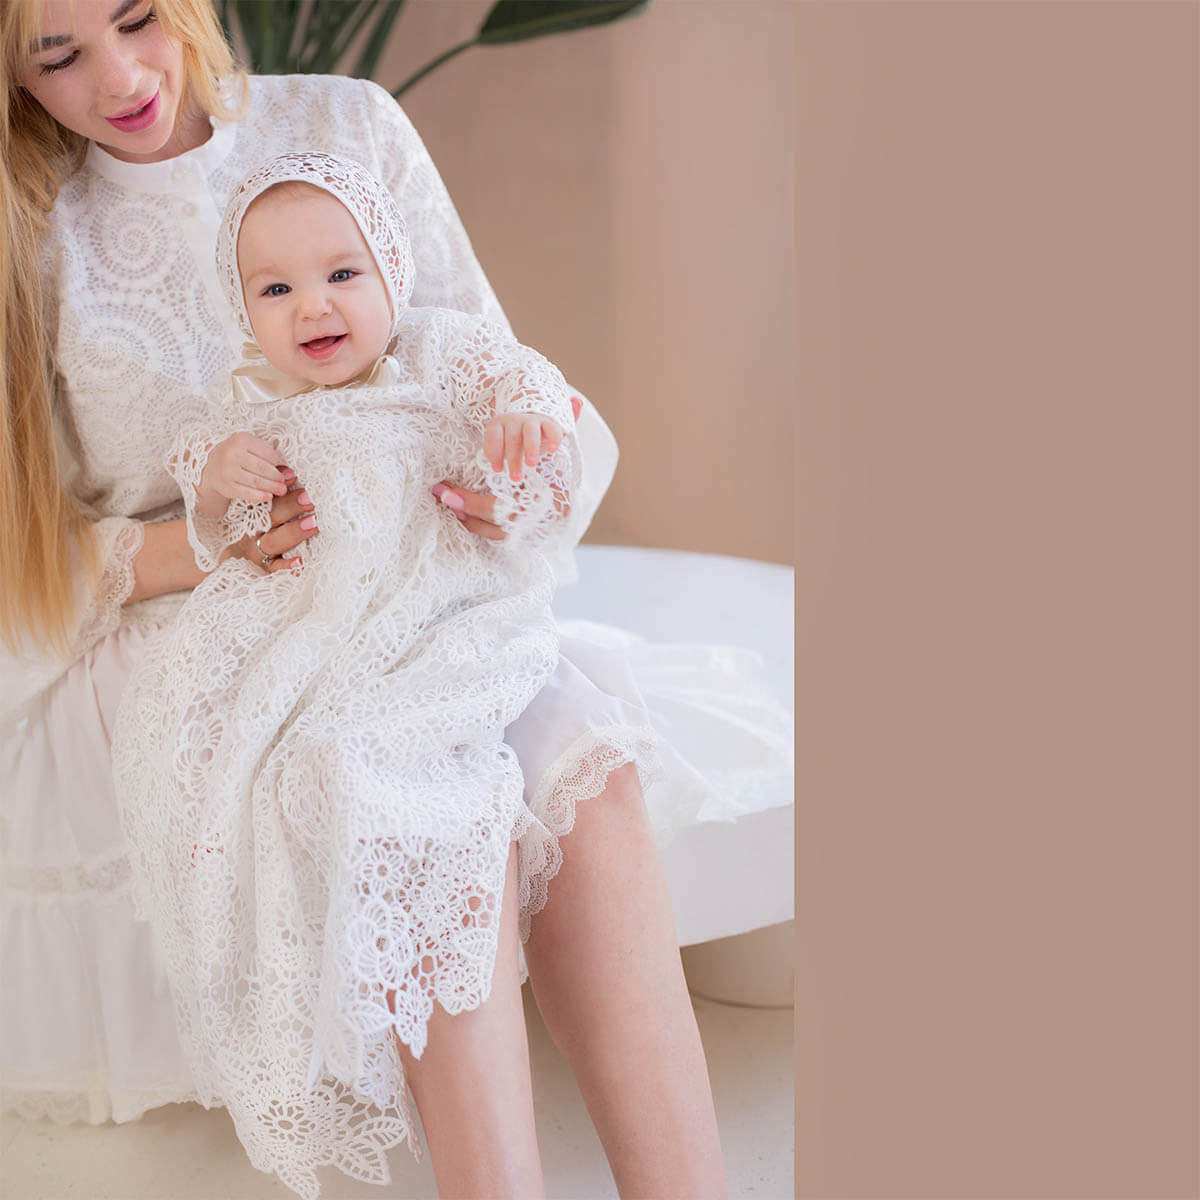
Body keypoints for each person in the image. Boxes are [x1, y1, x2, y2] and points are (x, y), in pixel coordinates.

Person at [1, 1, 787, 1195]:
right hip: (192, 614)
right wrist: (207, 543)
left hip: (413, 580)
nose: (120, 76)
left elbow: (493, 376)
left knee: (586, 758)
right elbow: (31, 549)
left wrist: (512, 487)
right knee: (401, 798)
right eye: (57, 56)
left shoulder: (349, 122)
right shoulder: (38, 234)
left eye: (136, 17)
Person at [110, 148, 614, 1194]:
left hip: (433, 600)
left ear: (389, 272)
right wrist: (221, 477)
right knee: (281, 753)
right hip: (315, 615)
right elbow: (214, 485)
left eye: (343, 273)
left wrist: (530, 425)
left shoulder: (443, 352)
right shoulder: (250, 396)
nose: (314, 307)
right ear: (243, 310)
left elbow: (529, 389)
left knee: (404, 758)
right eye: (276, 288)